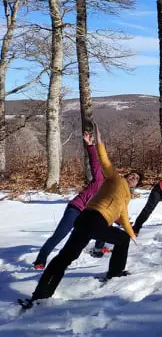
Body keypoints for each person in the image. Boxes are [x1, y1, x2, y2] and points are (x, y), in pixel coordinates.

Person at [20, 124, 141, 309]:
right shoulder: (115, 179)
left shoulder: (126, 197)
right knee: (66, 257)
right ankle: (40, 295)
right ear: (126, 176)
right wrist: (97, 142)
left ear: (137, 185)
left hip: (93, 223)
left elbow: (123, 217)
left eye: (137, 178)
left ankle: (115, 272)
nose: (133, 178)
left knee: (122, 239)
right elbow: (104, 161)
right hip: (92, 218)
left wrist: (132, 234)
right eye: (132, 175)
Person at [33, 131, 104, 270]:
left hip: (89, 215)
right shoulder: (100, 180)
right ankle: (40, 260)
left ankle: (98, 250)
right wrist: (90, 145)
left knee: (104, 227)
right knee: (60, 235)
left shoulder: (113, 196)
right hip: (76, 209)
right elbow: (94, 163)